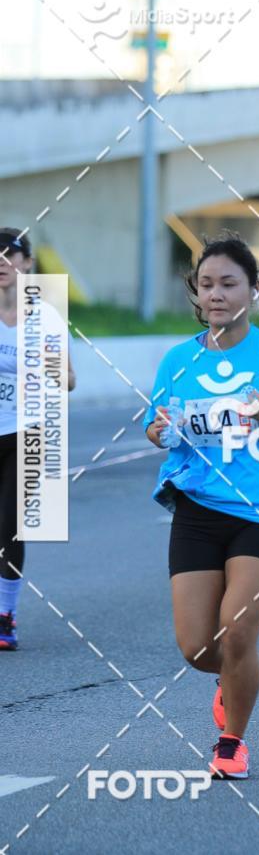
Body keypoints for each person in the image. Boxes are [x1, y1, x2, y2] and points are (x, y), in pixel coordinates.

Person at [144, 233, 259, 779]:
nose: (215, 294)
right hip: (197, 507)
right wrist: (161, 429)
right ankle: (231, 676)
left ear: (255, 288)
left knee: (238, 631)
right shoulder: (177, 358)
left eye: (228, 283)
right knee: (197, 647)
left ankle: (232, 741)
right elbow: (155, 427)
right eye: (206, 284)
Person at [0, 228, 76, 651]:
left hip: (25, 432)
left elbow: (69, 379)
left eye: (10, 254)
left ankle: (5, 615)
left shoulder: (44, 317)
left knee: (9, 527)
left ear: (27, 264)